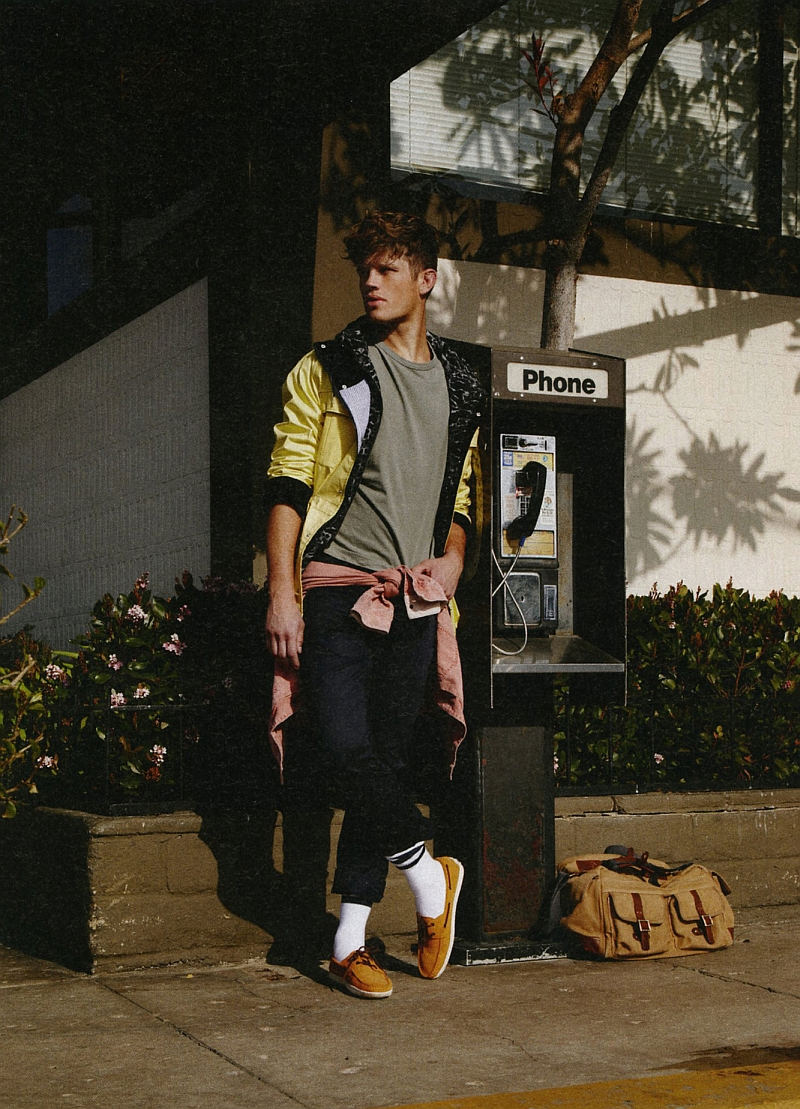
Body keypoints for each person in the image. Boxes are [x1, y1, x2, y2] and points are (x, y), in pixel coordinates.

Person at [264, 210, 483, 999]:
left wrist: (454, 558)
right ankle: (429, 879)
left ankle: (349, 939)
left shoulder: (460, 382)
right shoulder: (327, 369)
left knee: (382, 765)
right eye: (365, 268)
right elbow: (288, 482)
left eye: (388, 268)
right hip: (333, 590)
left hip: (417, 598)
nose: (370, 281)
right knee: (343, 748)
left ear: (426, 278)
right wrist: (282, 590)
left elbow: (461, 494)